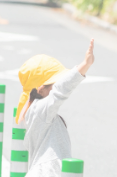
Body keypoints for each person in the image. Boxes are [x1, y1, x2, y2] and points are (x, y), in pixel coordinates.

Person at [15, 40, 96, 176]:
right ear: (40, 90)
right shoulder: (38, 111)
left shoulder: (40, 113)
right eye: (55, 82)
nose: (59, 83)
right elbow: (61, 90)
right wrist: (84, 65)